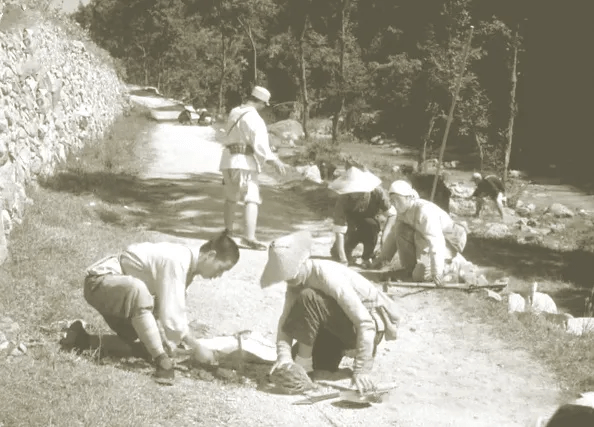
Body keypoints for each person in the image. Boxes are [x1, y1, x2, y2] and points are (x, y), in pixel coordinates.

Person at [63, 231, 240, 384]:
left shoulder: (188, 267)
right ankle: (162, 362)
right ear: (211, 255)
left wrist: (165, 340)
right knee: (139, 290)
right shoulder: (178, 260)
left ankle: (82, 340)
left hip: (123, 295)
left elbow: (165, 308)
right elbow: (172, 316)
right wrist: (196, 346)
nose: (219, 275)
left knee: (147, 343)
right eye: (221, 268)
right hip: (99, 282)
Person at [261, 231, 401, 394]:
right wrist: (283, 357)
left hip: (364, 331)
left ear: (303, 262)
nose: (289, 280)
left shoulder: (326, 275)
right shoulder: (296, 281)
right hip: (335, 328)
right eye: (286, 276)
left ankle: (305, 365)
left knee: (308, 297)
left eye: (292, 274)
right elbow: (285, 320)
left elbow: (365, 323)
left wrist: (362, 369)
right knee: (298, 366)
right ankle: (320, 368)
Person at [219, 86, 287, 250]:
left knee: (230, 198)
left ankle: (228, 232)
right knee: (252, 198)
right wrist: (274, 161)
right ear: (262, 103)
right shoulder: (254, 118)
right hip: (244, 162)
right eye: (265, 104)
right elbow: (260, 144)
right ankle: (249, 237)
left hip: (228, 160)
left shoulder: (235, 111)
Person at [372, 180, 468, 285]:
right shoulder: (402, 212)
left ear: (409, 198)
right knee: (400, 229)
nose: (395, 204)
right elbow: (394, 235)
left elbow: (436, 241)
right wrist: (383, 259)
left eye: (398, 200)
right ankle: (410, 268)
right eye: (392, 201)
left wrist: (437, 270)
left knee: (421, 276)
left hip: (450, 240)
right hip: (424, 240)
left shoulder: (424, 212)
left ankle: (452, 264)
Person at [328, 162, 397, 268]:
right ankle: (345, 251)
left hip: (369, 227)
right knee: (337, 254)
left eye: (358, 191)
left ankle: (367, 256)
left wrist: (385, 236)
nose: (355, 194)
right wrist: (343, 259)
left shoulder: (377, 192)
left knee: (371, 224)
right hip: (351, 228)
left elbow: (392, 214)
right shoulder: (343, 199)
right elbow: (339, 230)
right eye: (352, 191)